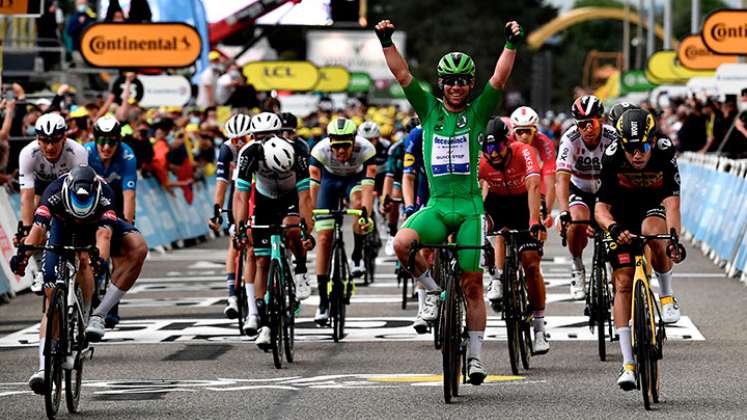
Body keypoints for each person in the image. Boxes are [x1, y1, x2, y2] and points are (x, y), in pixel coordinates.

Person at [378, 18, 524, 385]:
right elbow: (402, 75)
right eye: (450, 81)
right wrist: (385, 41)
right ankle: (431, 291)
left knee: (473, 284)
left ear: (469, 84)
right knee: (402, 244)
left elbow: (500, 79)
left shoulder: (477, 113)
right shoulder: (428, 110)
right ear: (441, 84)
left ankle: (475, 358)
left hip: (471, 207)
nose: (456, 87)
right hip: (439, 205)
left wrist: (511, 43)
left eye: (462, 81)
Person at [594, 109, 685, 390]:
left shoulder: (665, 151)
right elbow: (600, 208)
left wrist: (674, 239)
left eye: (643, 147)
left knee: (652, 232)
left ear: (653, 140)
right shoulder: (611, 157)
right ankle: (628, 364)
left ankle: (667, 297)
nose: (637, 154)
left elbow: (672, 203)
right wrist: (611, 228)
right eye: (630, 148)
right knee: (622, 283)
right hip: (621, 216)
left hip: (653, 207)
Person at [234, 130, 314, 348]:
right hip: (264, 200)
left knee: (292, 229)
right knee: (261, 261)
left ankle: (300, 271)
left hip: (290, 198)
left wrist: (307, 230)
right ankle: (265, 323)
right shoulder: (250, 153)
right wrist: (240, 229)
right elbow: (241, 196)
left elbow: (306, 197)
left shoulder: (298, 152)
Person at [479, 117, 549, 354]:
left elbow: (534, 187)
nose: (493, 154)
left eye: (497, 147)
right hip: (498, 205)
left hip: (522, 204)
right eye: (487, 149)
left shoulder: (524, 151)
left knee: (531, 264)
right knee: (496, 231)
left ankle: (539, 329)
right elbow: (476, 191)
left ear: (507, 143)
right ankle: (498, 277)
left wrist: (533, 220)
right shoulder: (483, 160)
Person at [309, 118, 376, 325]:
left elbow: (368, 189)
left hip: (354, 181)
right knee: (323, 238)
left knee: (358, 205)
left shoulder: (366, 149)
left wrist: (365, 214)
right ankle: (322, 301)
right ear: (329, 142)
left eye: (345, 145)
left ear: (354, 141)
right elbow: (313, 187)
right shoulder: (319, 152)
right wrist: (311, 214)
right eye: (336, 146)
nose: (340, 151)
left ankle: (357, 256)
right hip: (329, 182)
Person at [555, 95, 617, 300]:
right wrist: (563, 212)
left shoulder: (613, 137)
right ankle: (577, 267)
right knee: (576, 222)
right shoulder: (570, 139)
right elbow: (562, 179)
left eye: (591, 122)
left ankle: (611, 263)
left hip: (607, 191)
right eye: (581, 124)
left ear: (602, 119)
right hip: (579, 189)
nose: (587, 129)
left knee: (614, 225)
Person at [17, 113, 88, 246]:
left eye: (55, 140)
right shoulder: (27, 153)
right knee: (31, 227)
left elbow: (80, 192)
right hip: (41, 188)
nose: (50, 147)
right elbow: (26, 195)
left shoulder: (78, 152)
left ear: (64, 138)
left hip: (67, 189)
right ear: (37, 138)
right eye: (45, 140)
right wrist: (27, 229)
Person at [209, 113, 252, 321]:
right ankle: (232, 296)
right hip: (238, 188)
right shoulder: (227, 149)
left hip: (257, 187)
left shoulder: (260, 145)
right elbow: (222, 182)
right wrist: (217, 209)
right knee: (234, 241)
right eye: (235, 140)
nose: (239, 144)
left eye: (243, 139)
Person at [509, 105, 556, 227]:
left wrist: (548, 212)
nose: (524, 136)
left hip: (536, 179)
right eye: (520, 131)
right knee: (503, 231)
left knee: (539, 211)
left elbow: (550, 181)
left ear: (535, 130)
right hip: (514, 179)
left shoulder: (544, 142)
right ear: (513, 132)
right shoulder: (507, 142)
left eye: (529, 131)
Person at [358, 120, 392, 260]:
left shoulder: (387, 147)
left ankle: (387, 224)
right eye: (366, 140)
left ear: (378, 138)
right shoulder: (357, 148)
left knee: (385, 201)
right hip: (365, 176)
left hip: (382, 177)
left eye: (373, 139)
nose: (370, 143)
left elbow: (391, 171)